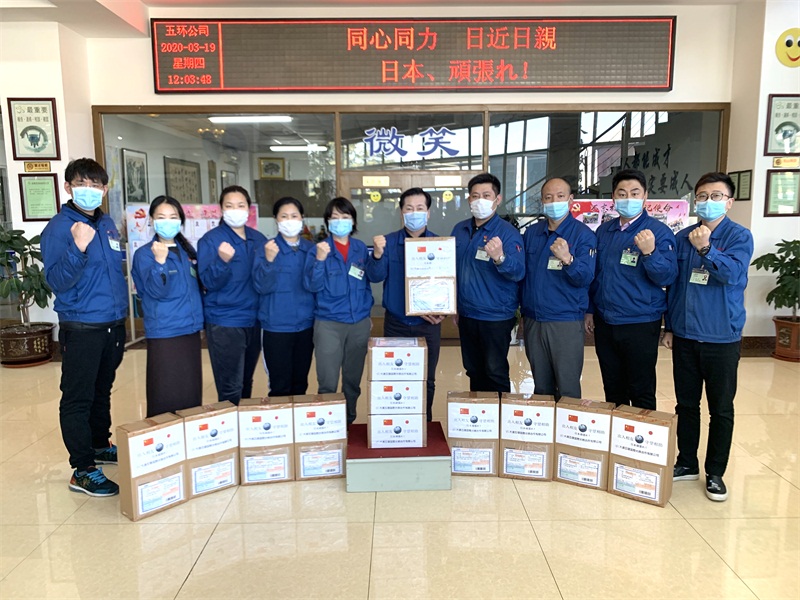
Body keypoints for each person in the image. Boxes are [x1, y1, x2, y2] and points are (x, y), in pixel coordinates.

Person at [664, 172, 754, 502]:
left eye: (716, 196)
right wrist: (670, 327)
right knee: (686, 404)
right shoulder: (683, 237)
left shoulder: (739, 236)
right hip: (685, 335)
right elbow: (675, 286)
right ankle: (687, 462)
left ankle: (715, 472)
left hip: (721, 337)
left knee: (720, 408)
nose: (708, 202)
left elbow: (731, 274)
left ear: (729, 203)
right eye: (702, 196)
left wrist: (706, 249)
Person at [40, 158, 127, 497]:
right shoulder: (59, 228)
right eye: (81, 184)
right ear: (68, 187)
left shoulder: (106, 224)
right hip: (82, 326)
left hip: (112, 323)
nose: (89, 191)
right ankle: (83, 469)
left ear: (104, 190)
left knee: (102, 389)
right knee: (78, 397)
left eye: (95, 185)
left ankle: (99, 444)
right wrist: (77, 247)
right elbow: (57, 280)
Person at [586, 168, 677, 410]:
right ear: (613, 198)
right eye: (622, 193)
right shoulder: (604, 231)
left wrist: (650, 253)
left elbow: (667, 276)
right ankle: (617, 434)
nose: (628, 199)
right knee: (612, 387)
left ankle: (642, 434)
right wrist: (590, 310)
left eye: (635, 193)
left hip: (640, 322)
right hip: (606, 321)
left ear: (645, 196)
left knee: (641, 389)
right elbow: (596, 276)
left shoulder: (658, 232)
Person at [366, 188, 444, 421]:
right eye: (409, 209)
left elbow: (446, 283)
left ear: (428, 213)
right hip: (396, 323)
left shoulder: (439, 244)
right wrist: (377, 254)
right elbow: (375, 276)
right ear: (402, 213)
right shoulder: (388, 242)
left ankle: (423, 424)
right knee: (395, 377)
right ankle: (397, 424)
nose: (414, 213)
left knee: (427, 379)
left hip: (428, 323)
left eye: (420, 208)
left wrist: (443, 310)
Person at [521, 177, 596, 400]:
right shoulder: (532, 233)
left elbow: (586, 277)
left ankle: (568, 424)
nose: (554, 201)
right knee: (541, 387)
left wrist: (568, 259)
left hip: (565, 320)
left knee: (567, 388)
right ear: (542, 202)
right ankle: (544, 424)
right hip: (534, 319)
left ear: (571, 200)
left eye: (560, 196)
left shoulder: (583, 235)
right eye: (548, 197)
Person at [451, 173, 524, 394]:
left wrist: (500, 257)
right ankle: (480, 412)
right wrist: (453, 305)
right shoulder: (459, 230)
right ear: (468, 200)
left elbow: (518, 272)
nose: (479, 200)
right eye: (475, 196)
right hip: (467, 314)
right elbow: (451, 269)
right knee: (473, 370)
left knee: (495, 371)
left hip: (495, 316)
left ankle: (499, 412)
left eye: (486, 195)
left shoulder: (507, 233)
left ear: (497, 199)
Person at [304, 197, 376, 424]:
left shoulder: (360, 248)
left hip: (358, 323)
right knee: (328, 380)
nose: (340, 221)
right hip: (329, 324)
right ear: (327, 221)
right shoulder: (318, 250)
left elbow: (366, 281)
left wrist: (367, 314)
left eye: (345, 216)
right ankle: (328, 425)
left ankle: (348, 420)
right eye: (334, 217)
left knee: (352, 380)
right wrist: (319, 260)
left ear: (353, 221)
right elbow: (311, 285)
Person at [131, 196, 204, 417]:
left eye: (173, 217)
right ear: (152, 221)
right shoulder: (145, 254)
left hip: (190, 330)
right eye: (161, 217)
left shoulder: (187, 252)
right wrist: (160, 262)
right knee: (165, 394)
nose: (168, 222)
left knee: (190, 393)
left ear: (180, 220)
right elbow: (155, 291)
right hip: (164, 332)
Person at [197, 185, 267, 404]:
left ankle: (242, 423)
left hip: (254, 320)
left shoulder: (259, 240)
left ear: (249, 209)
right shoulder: (211, 240)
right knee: (230, 386)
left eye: (240, 205)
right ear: (221, 209)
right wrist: (222, 261)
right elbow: (208, 282)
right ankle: (229, 425)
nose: (235, 210)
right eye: (229, 205)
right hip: (225, 322)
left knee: (246, 381)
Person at [252, 197, 316, 397]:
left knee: (300, 384)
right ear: (276, 220)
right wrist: (269, 260)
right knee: (280, 386)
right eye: (284, 216)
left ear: (302, 218)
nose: (289, 221)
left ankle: (298, 418)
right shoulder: (266, 248)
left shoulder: (311, 250)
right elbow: (261, 286)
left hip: (305, 326)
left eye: (294, 216)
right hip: (276, 328)